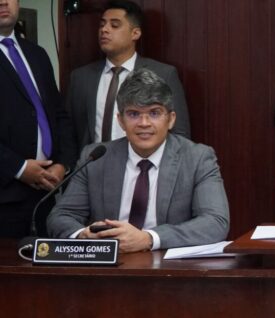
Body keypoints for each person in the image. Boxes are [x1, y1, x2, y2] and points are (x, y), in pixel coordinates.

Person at [48, 68, 228, 252]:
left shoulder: (197, 158)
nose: (144, 123)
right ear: (120, 120)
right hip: (110, 261)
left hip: (167, 264)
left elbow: (215, 222)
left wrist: (149, 238)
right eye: (134, 114)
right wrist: (84, 235)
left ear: (171, 119)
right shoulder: (96, 158)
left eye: (154, 113)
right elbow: (60, 216)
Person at [66, 0, 190, 152]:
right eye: (102, 24)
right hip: (93, 163)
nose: (104, 30)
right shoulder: (80, 77)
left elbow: (180, 133)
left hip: (145, 164)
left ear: (135, 33)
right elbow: (68, 132)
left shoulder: (163, 74)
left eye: (114, 25)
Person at [0, 0, 76, 238]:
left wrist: (63, 164)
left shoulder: (37, 54)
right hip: (5, 195)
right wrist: (20, 168)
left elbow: (58, 114)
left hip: (46, 194)